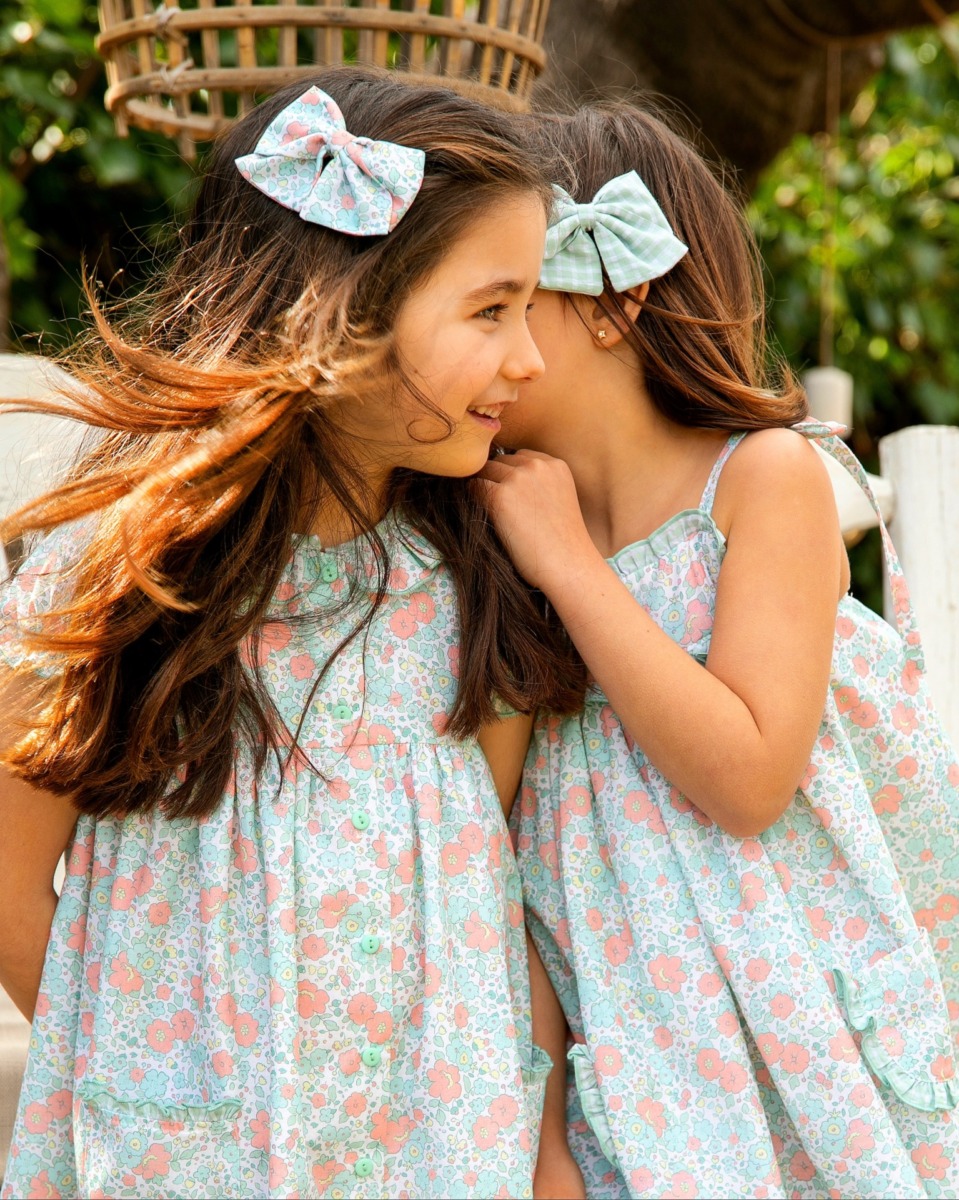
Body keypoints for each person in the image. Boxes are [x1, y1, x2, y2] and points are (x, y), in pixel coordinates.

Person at [0, 69, 587, 1200]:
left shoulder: (482, 581)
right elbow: (9, 873)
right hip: (190, 1153)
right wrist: (127, 1063)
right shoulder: (125, 576)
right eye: (490, 308)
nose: (530, 359)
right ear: (350, 306)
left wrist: (529, 1136)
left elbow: (496, 880)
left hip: (440, 1150)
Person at [481, 101, 959, 1199]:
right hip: (640, 1068)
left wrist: (572, 569)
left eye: (509, 301)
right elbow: (505, 866)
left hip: (807, 1035)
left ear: (617, 300)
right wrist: (541, 1128)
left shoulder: (758, 480)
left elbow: (747, 780)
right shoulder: (491, 531)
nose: (486, 349)